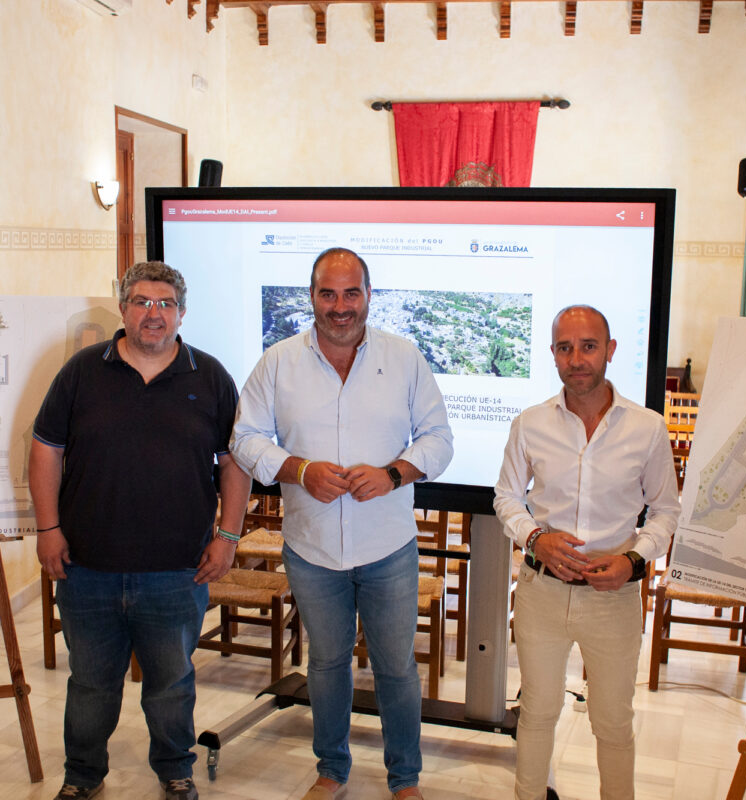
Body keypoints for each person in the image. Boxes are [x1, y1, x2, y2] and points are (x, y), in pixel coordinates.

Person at [231, 247, 453, 800]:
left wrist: (395, 474)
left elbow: (439, 439)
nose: (340, 306)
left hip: (388, 547)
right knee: (327, 665)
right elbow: (245, 437)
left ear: (368, 296)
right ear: (311, 296)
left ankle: (405, 779)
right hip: (312, 550)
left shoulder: (405, 358)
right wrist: (297, 469)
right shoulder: (277, 362)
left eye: (351, 293)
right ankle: (331, 771)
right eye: (327, 293)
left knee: (397, 669)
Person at [30, 261, 251, 800]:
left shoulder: (211, 377)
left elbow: (235, 462)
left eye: (165, 304)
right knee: (89, 685)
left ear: (181, 312)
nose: (154, 315)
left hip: (177, 570)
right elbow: (45, 450)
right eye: (142, 303)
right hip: (87, 567)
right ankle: (82, 777)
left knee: (171, 686)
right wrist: (47, 528)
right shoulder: (81, 372)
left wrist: (228, 537)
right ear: (122, 306)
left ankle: (176, 771)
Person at [493, 304, 680, 800]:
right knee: (536, 712)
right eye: (565, 348)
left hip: (614, 598)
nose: (577, 359)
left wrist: (633, 561)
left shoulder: (647, 428)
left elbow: (665, 511)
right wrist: (535, 538)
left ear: (610, 351)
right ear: (553, 354)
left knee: (613, 721)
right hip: (542, 594)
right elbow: (507, 497)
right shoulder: (530, 424)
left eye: (588, 346)